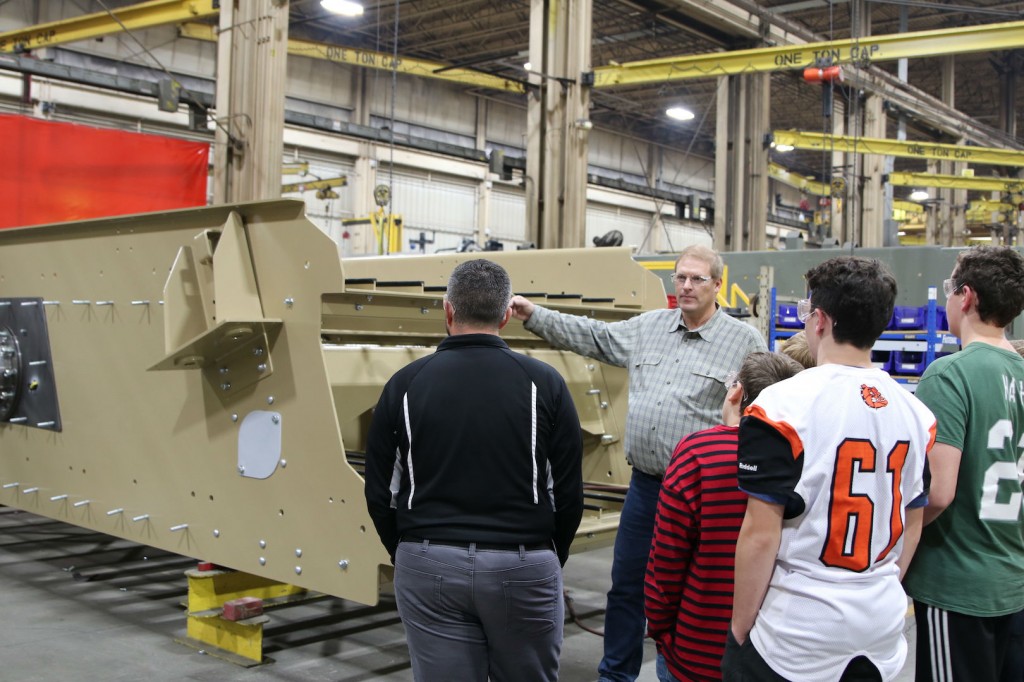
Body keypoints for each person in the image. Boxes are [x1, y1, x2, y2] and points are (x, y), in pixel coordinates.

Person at [510, 244, 766, 682]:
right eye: (680, 277)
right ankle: (616, 674)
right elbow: (592, 336)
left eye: (696, 279)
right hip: (647, 489)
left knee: (695, 591)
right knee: (627, 588)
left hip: (704, 496)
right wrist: (534, 314)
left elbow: (764, 409)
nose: (685, 286)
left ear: (718, 286)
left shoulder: (744, 343)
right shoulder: (649, 327)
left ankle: (682, 672)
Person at [364, 259, 584, 682]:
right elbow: (569, 492)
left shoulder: (404, 384)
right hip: (522, 562)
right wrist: (550, 555)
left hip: (427, 562)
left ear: (448, 311)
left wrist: (407, 552)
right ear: (505, 315)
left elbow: (380, 493)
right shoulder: (545, 383)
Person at [726, 256, 936, 681]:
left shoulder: (779, 406)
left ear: (819, 319)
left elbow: (760, 535)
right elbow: (913, 520)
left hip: (799, 627)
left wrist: (739, 627)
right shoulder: (917, 414)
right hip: (880, 620)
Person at [902, 246, 1024, 682]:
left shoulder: (950, 373)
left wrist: (893, 548)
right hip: (1013, 580)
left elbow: (939, 492)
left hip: (958, 585)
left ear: (966, 297)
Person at [645, 351, 803, 682]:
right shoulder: (808, 458)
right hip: (777, 655)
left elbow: (666, 562)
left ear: (735, 392)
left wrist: (661, 631)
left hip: (696, 651)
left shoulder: (698, 453)